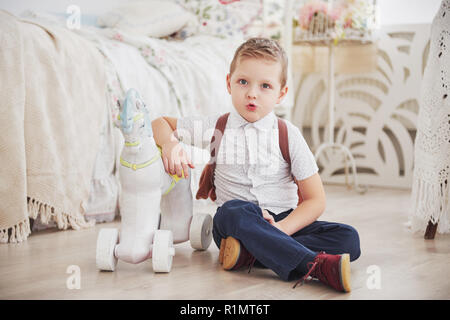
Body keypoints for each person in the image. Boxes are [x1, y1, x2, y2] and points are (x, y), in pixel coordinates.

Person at [151, 37, 360, 292]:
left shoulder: (288, 134)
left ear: (281, 93)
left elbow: (315, 200)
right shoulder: (217, 127)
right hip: (238, 222)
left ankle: (248, 254)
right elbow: (161, 123)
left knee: (349, 239)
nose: (252, 93)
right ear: (229, 83)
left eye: (265, 86)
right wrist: (171, 145)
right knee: (233, 211)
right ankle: (312, 265)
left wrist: (281, 229)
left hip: (282, 221)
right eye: (243, 82)